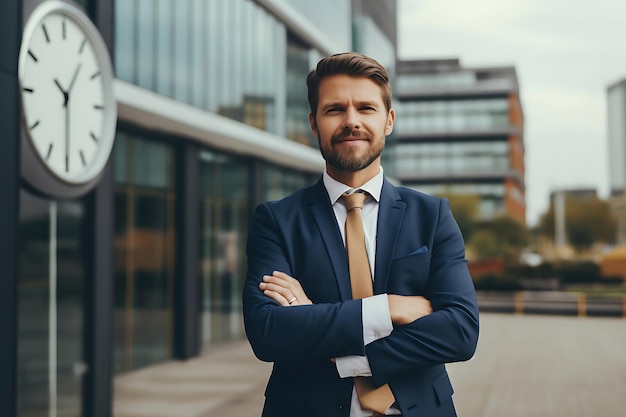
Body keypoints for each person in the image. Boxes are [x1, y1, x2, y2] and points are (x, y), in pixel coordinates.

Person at [243, 52, 479, 417]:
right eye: (335, 109)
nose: (351, 121)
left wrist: (319, 325)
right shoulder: (277, 220)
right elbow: (268, 331)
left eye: (366, 108)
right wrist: (390, 308)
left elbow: (460, 331)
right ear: (313, 122)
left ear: (388, 120)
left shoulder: (432, 216)